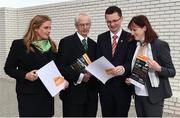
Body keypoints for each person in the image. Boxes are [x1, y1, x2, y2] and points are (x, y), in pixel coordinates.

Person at [4, 15, 69, 117]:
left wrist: (62, 81)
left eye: (50, 27)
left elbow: (54, 69)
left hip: (46, 95)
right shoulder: (19, 45)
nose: (49, 30)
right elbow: (8, 69)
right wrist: (26, 75)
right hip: (28, 96)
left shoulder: (51, 46)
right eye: (46, 27)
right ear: (35, 28)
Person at [125, 15, 176, 117]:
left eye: (135, 30)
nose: (132, 33)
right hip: (138, 94)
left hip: (153, 96)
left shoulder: (159, 45)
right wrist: (131, 79)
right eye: (131, 30)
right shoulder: (136, 45)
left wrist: (158, 68)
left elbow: (172, 72)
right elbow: (137, 70)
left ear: (144, 28)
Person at [56, 13, 98, 117]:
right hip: (72, 95)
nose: (85, 27)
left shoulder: (94, 44)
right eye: (81, 25)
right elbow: (61, 67)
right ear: (76, 26)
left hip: (91, 96)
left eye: (87, 24)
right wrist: (80, 77)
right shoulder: (66, 42)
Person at [96, 6, 134, 117]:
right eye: (108, 21)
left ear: (121, 19)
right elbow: (99, 60)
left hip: (123, 89)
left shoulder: (130, 38)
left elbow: (131, 60)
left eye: (115, 20)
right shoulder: (101, 38)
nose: (112, 24)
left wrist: (123, 69)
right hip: (105, 90)